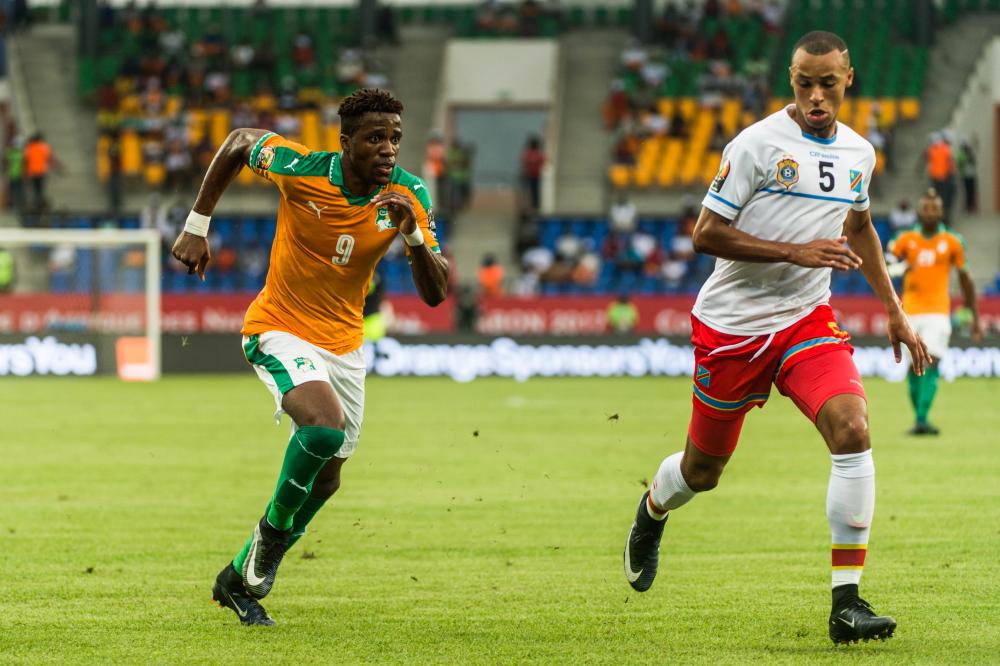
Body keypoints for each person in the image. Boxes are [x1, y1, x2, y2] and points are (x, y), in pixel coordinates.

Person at [622, 31, 929, 646]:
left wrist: (893, 308)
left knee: (853, 429)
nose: (816, 96)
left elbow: (860, 228)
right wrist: (794, 250)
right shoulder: (756, 145)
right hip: (732, 328)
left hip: (806, 319)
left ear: (848, 80)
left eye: (827, 84)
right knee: (703, 471)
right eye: (804, 84)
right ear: (791, 80)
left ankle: (847, 604)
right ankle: (653, 509)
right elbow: (705, 234)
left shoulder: (860, 153)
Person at [171, 89, 449, 626]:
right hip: (279, 327)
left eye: (394, 138)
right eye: (374, 137)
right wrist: (197, 225)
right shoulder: (302, 169)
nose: (388, 148)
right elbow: (239, 141)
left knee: (327, 479)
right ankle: (270, 541)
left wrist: (413, 233)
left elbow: (436, 293)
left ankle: (236, 577)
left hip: (343, 345)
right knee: (322, 428)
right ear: (345, 142)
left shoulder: (408, 193)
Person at [889, 189, 981, 435]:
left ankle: (922, 418)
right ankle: (919, 416)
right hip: (909, 313)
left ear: (941, 212)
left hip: (938, 312)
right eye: (926, 208)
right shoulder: (904, 239)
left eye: (935, 209)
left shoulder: (953, 241)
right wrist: (898, 267)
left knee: (932, 360)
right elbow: (886, 262)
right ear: (919, 212)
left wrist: (975, 318)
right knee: (914, 367)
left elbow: (966, 281)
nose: (930, 212)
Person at [924, 133, 955, 224]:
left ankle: (941, 218)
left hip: (939, 178)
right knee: (943, 199)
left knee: (940, 199)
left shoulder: (933, 149)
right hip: (942, 178)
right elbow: (950, 163)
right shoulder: (945, 149)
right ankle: (942, 218)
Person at [519, 136, 545, 213]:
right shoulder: (529, 154)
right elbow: (524, 163)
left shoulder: (536, 154)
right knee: (529, 192)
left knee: (535, 192)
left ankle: (535, 206)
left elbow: (542, 163)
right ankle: (529, 206)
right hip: (529, 176)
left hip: (536, 176)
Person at [956, 141, 977, 214]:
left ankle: (971, 207)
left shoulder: (971, 154)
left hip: (972, 175)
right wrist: (965, 160)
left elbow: (974, 162)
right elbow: (959, 163)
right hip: (965, 176)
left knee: (972, 191)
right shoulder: (960, 154)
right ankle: (967, 207)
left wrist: (970, 157)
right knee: (967, 192)